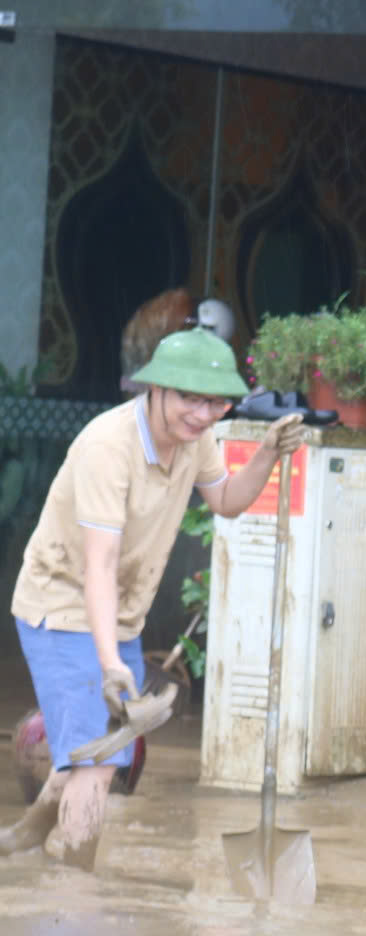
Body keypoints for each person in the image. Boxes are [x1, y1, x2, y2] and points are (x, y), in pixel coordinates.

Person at [7, 326, 305, 867]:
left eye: (213, 401)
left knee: (102, 747)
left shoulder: (198, 439)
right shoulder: (107, 447)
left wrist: (265, 454)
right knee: (96, 762)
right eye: (188, 397)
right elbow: (97, 564)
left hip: (119, 615)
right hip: (63, 602)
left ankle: (24, 835)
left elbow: (228, 501)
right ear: (155, 390)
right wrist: (107, 663)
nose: (200, 412)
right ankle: (75, 896)